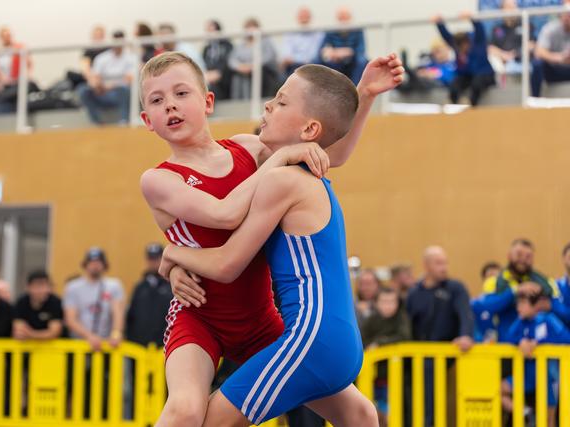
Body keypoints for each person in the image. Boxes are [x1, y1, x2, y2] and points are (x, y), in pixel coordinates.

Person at [138, 50, 403, 426]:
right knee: (186, 409)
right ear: (148, 121)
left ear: (208, 101)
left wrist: (363, 96)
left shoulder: (250, 148)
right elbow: (223, 213)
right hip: (200, 314)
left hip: (259, 317)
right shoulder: (159, 178)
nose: (171, 106)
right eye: (157, 101)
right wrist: (174, 252)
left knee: (360, 413)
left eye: (181, 94)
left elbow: (327, 150)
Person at [406, 246, 474, 427]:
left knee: (431, 395)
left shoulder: (455, 288)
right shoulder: (414, 293)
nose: (444, 267)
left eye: (445, 263)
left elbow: (465, 314)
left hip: (442, 354)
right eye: (438, 263)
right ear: (426, 266)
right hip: (416, 356)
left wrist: (466, 335)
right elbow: (407, 324)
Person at [501, 283, 570, 427]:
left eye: (523, 303)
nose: (518, 308)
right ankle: (525, 412)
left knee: (548, 420)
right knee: (498, 389)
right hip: (526, 376)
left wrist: (538, 343)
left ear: (535, 305)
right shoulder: (520, 321)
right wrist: (520, 341)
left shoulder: (548, 319)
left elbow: (566, 338)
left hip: (548, 378)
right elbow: (508, 338)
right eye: (517, 303)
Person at [479, 238, 559, 341]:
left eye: (528, 256)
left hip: (537, 346)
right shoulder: (494, 282)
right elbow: (487, 307)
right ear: (509, 255)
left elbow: (557, 309)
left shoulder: (544, 282)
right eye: (519, 254)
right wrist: (515, 291)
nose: (523, 259)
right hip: (507, 345)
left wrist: (541, 302)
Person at [360, 287, 411, 425]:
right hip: (372, 378)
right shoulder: (371, 320)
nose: (388, 305)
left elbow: (404, 337)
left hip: (397, 378)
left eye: (391, 301)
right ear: (376, 303)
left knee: (394, 414)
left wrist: (380, 343)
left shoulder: (402, 318)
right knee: (373, 413)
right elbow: (361, 340)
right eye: (384, 301)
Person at [63, 247, 124, 351]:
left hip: (105, 345)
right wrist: (89, 336)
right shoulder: (73, 287)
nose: (95, 265)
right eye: (91, 261)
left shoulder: (113, 285)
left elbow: (117, 313)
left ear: (104, 265)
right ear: (85, 264)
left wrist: (116, 334)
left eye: (99, 262)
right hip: (79, 345)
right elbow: (70, 318)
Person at [433, 12, 496, 106]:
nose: (461, 48)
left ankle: (471, 104)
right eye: (459, 45)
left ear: (468, 42)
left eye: (463, 44)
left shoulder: (478, 43)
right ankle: (451, 104)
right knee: (455, 84)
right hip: (468, 76)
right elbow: (447, 36)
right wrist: (439, 23)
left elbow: (480, 29)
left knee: (477, 83)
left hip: (484, 74)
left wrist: (471, 18)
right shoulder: (457, 47)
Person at [77, 30, 136, 125]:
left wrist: (110, 86)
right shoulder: (101, 58)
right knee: (83, 90)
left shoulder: (131, 57)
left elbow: (129, 79)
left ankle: (124, 120)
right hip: (102, 92)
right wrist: (98, 86)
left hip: (120, 93)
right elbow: (96, 77)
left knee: (124, 89)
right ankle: (97, 123)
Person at [125, 243, 173, 347]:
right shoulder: (140, 287)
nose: (154, 262)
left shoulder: (172, 286)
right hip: (140, 348)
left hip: (164, 346)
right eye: (151, 259)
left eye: (157, 258)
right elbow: (131, 316)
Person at [228, 18, 281, 99]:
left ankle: (256, 100)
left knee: (257, 73)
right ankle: (239, 101)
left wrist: (253, 65)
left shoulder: (266, 41)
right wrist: (239, 67)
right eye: (247, 28)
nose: (250, 30)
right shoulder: (241, 44)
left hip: (263, 70)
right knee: (236, 76)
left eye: (252, 27)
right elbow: (232, 59)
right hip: (243, 70)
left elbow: (269, 56)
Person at [319, 6, 368, 84]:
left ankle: (356, 90)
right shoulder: (330, 31)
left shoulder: (357, 30)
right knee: (319, 62)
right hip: (335, 60)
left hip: (353, 60)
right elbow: (323, 49)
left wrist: (348, 52)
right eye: (341, 17)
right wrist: (334, 54)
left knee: (362, 61)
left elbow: (361, 50)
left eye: (345, 17)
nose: (343, 20)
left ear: (350, 18)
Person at [531, 2, 570, 97]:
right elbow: (539, 52)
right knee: (537, 64)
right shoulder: (550, 28)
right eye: (566, 15)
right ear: (560, 15)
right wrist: (558, 58)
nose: (567, 18)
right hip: (554, 69)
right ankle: (536, 100)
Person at [13, 270, 64, 340]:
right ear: (28, 287)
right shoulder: (21, 302)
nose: (44, 290)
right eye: (38, 286)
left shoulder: (55, 302)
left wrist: (31, 334)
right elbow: (19, 329)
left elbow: (54, 332)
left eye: (46, 286)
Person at [488, 0, 534, 77]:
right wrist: (504, 55)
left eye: (514, 6)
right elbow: (490, 48)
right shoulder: (497, 28)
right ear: (502, 9)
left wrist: (517, 53)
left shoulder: (525, 24)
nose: (513, 9)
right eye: (509, 7)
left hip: (521, 61)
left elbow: (532, 44)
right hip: (503, 63)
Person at [281, 7, 325, 76]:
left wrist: (295, 59)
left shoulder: (318, 34)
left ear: (310, 17)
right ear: (297, 17)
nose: (304, 18)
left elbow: (314, 55)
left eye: (306, 16)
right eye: (302, 16)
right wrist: (299, 60)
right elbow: (286, 56)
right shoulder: (290, 34)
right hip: (293, 67)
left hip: (312, 66)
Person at [202, 20, 233, 100]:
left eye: (211, 30)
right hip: (209, 78)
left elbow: (228, 61)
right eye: (207, 31)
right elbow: (204, 63)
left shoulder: (227, 46)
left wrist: (218, 72)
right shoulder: (207, 49)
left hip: (223, 80)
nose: (209, 33)